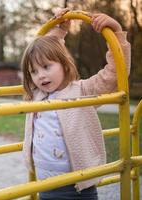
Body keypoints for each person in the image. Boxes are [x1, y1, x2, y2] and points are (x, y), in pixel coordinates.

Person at [21, 10, 130, 200]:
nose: (41, 76)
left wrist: (117, 31)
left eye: (46, 67)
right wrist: (58, 31)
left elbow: (115, 75)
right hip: (45, 186)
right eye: (34, 71)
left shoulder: (82, 91)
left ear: (64, 64)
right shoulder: (36, 94)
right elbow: (42, 51)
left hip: (78, 188)